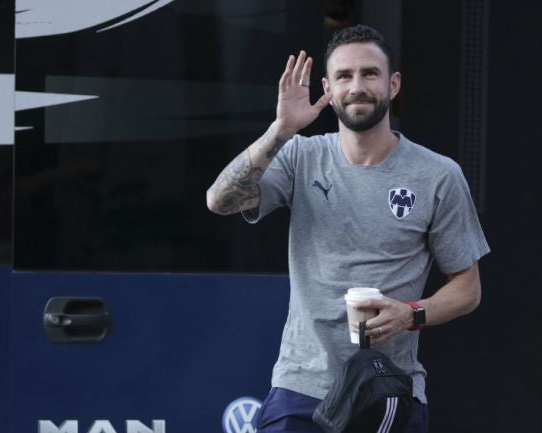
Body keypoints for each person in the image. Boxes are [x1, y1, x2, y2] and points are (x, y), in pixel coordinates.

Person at [207, 24, 489, 433]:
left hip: (388, 387)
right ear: (327, 88)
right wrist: (281, 129)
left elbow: (469, 289)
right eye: (344, 76)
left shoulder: (438, 175)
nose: (357, 86)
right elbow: (219, 200)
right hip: (302, 386)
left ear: (393, 84)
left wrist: (410, 314)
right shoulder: (300, 156)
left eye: (369, 74)